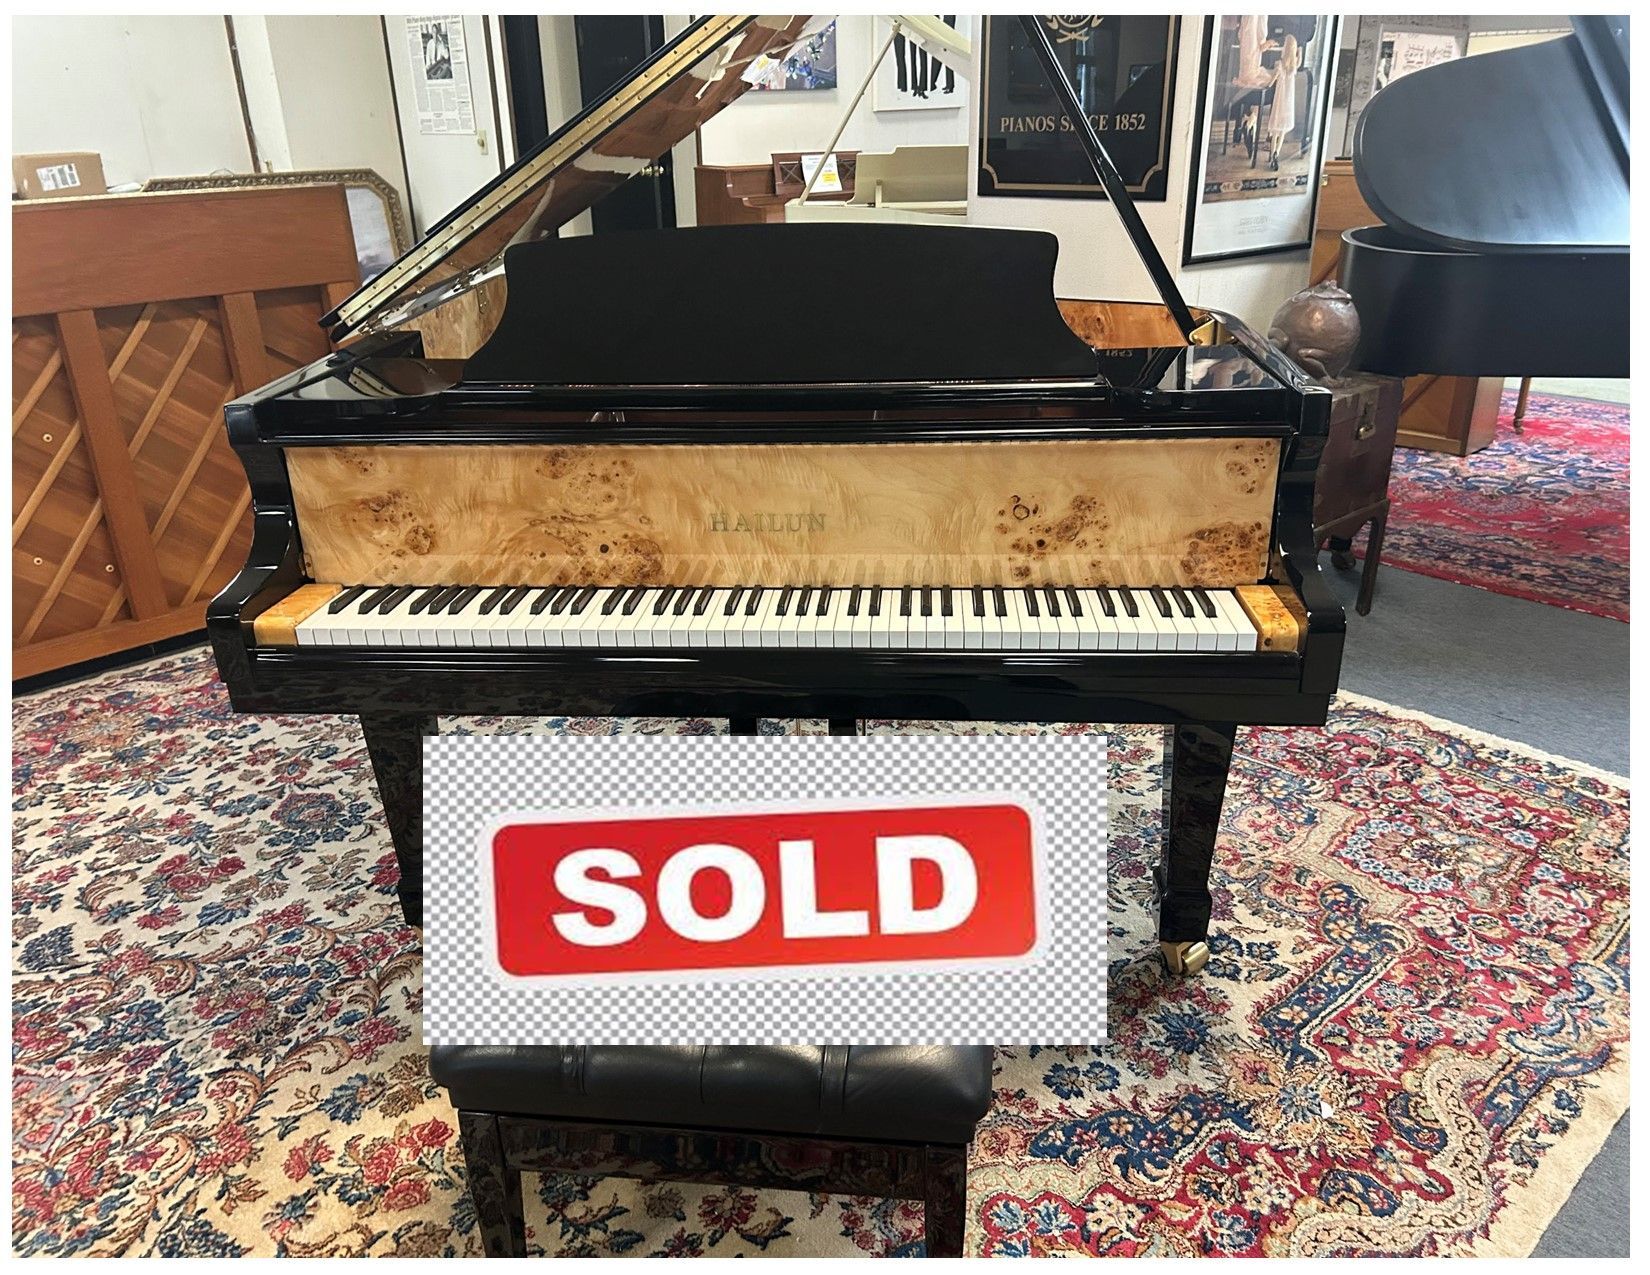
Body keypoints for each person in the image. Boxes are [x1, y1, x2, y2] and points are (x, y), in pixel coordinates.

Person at [1263, 34, 1302, 171]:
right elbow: (1299, 60)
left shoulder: (1279, 65)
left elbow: (1272, 81)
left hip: (1279, 100)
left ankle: (1272, 154)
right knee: (1282, 132)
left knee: (1275, 131)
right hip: (1288, 101)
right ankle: (1276, 155)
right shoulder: (1294, 66)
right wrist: (1299, 51)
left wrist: (1267, 85)